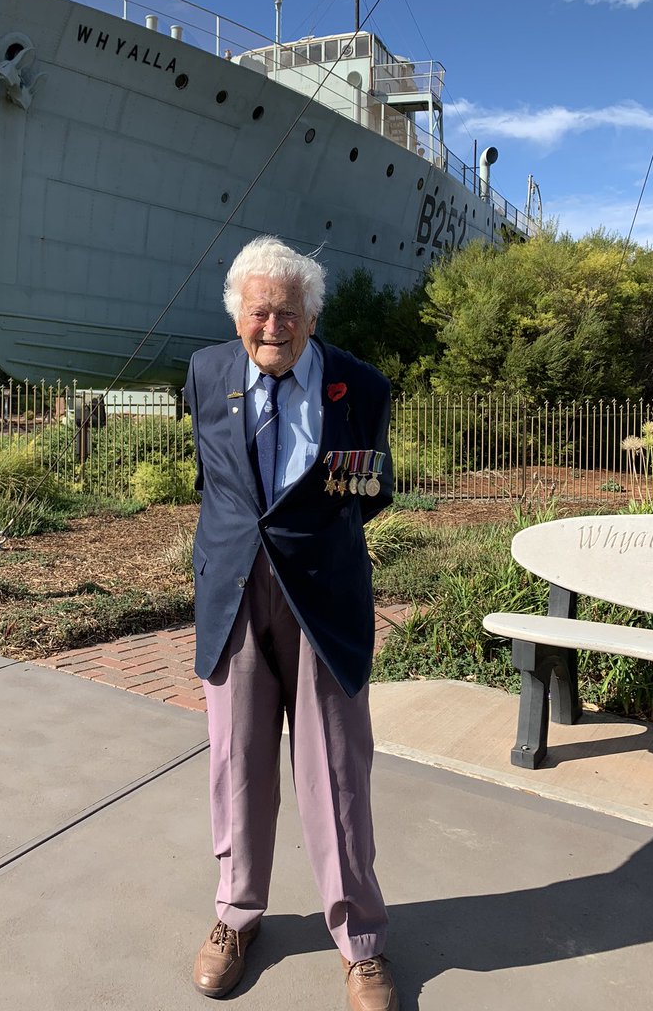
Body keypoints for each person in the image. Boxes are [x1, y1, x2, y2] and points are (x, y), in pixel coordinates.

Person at [183, 236, 397, 1011]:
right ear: (239, 313)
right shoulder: (206, 373)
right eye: (259, 311)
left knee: (337, 773)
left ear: (312, 317)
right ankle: (236, 916)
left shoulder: (361, 386)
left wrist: (311, 538)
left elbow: (373, 488)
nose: (273, 326)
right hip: (233, 594)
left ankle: (361, 942)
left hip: (322, 600)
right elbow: (214, 476)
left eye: (289, 313)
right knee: (236, 767)